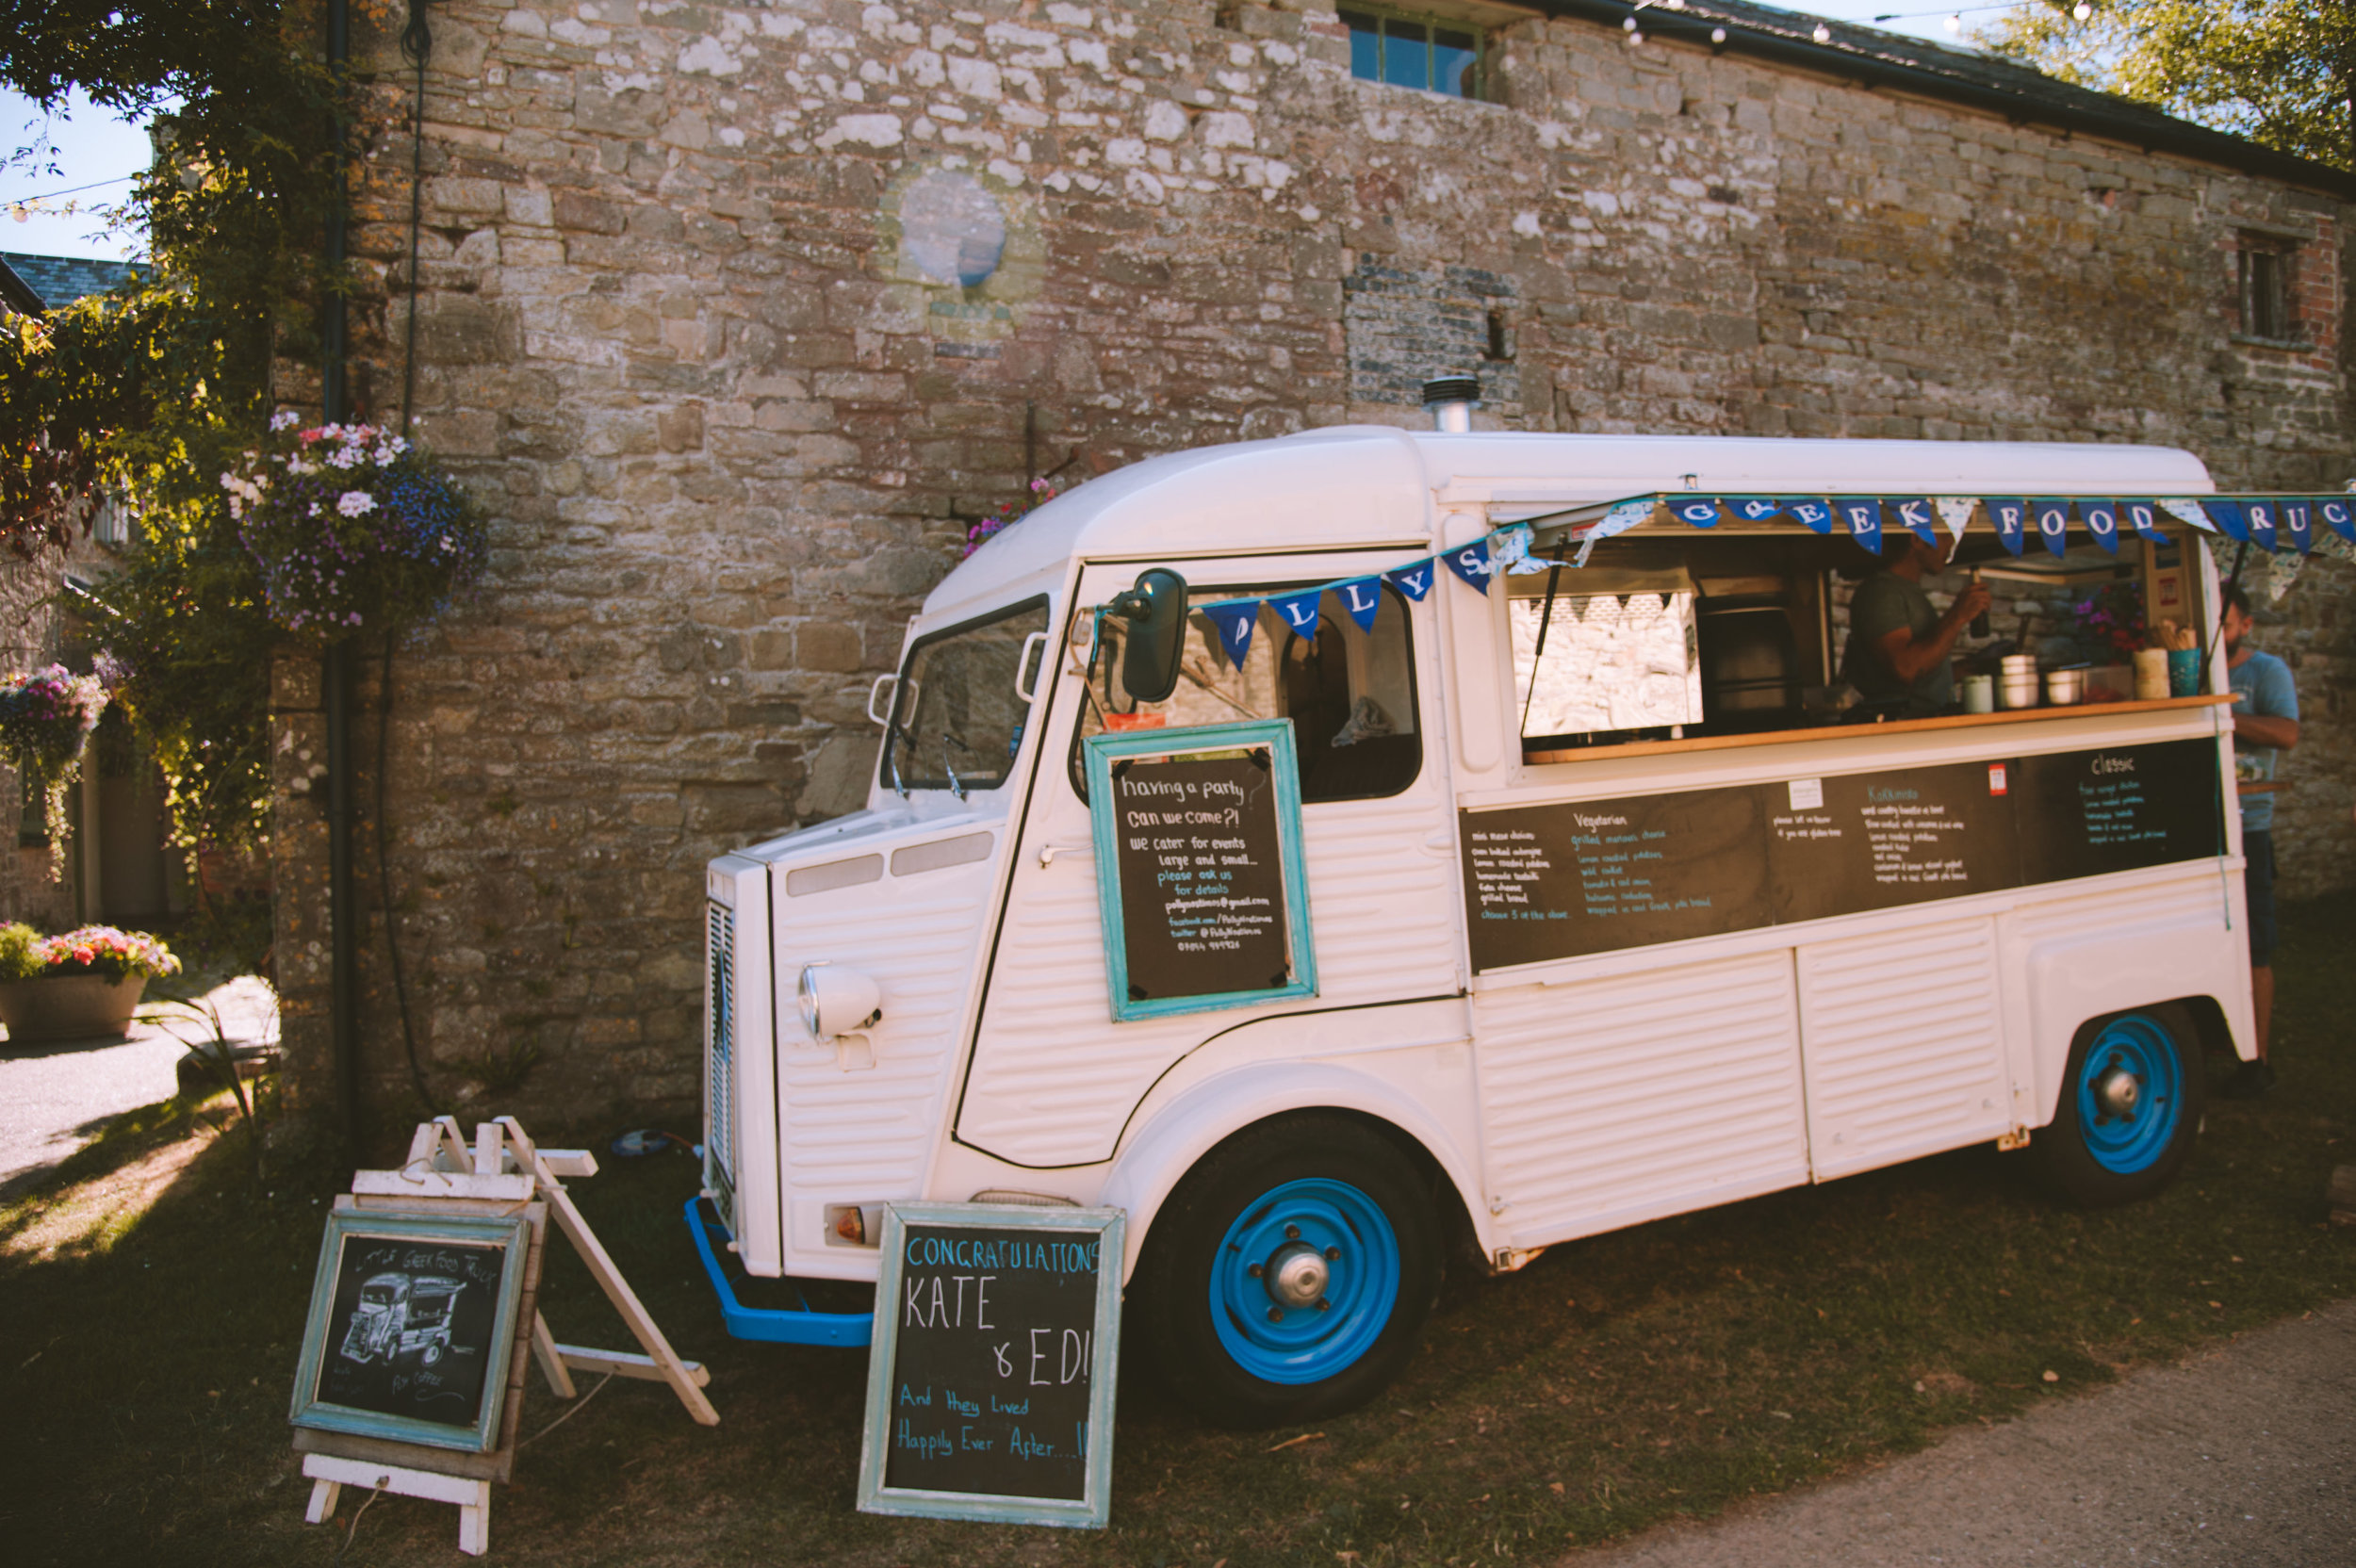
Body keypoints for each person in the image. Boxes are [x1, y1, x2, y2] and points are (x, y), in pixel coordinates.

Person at [2219, 585, 2297, 1099]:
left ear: (2245, 625)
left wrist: (2224, 716)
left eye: (2224, 621)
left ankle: (2258, 1061)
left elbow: (2287, 734)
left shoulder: (2266, 672)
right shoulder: (2190, 668)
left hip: (2250, 825)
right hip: (2197, 826)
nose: (2215, 630)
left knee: (2255, 947)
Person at [1839, 533, 1992, 718]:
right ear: (1917, 540)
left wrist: (1975, 667)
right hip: (1904, 724)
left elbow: (1922, 677)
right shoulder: (1882, 592)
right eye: (1945, 535)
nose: (1951, 543)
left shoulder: (1906, 590)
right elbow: (1906, 669)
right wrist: (1957, 616)